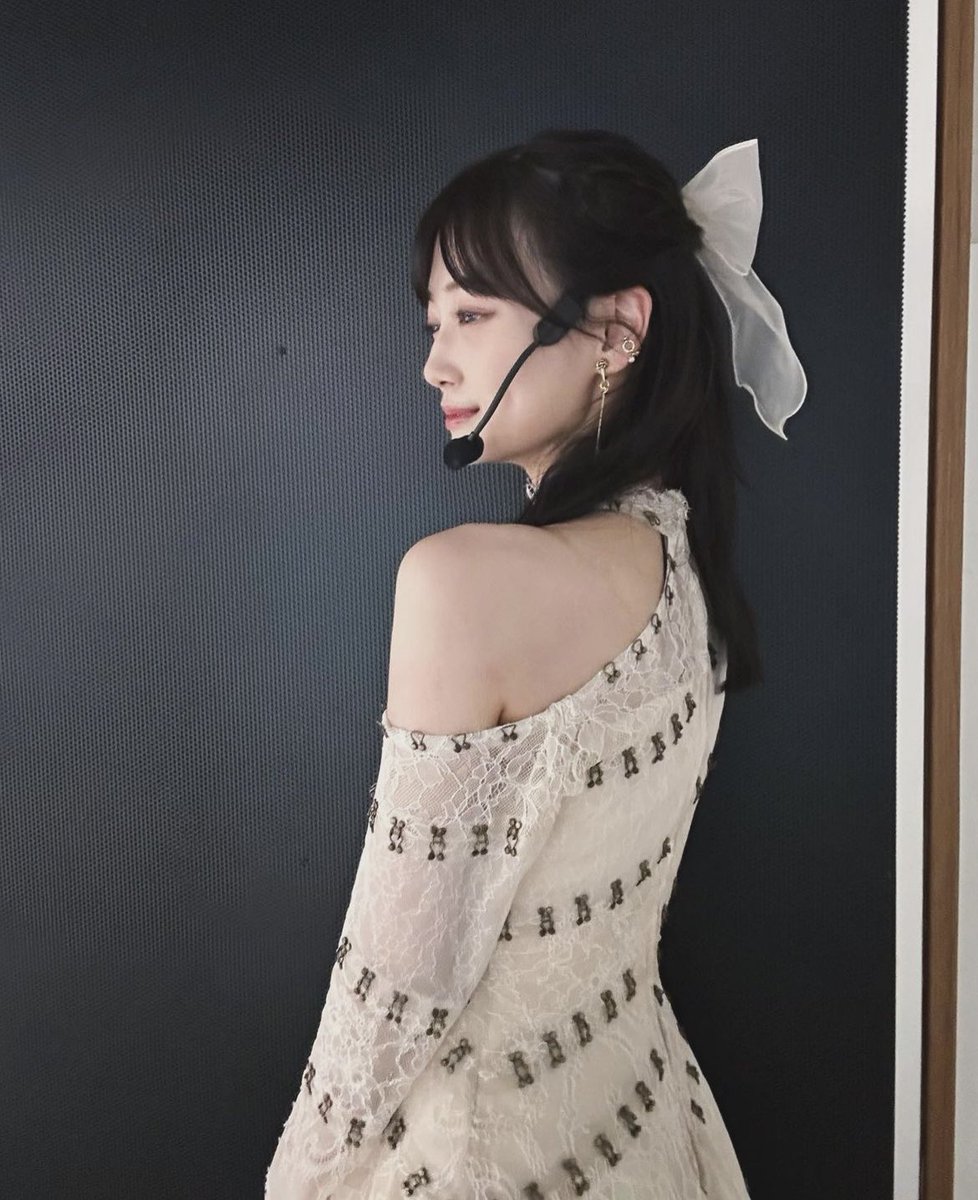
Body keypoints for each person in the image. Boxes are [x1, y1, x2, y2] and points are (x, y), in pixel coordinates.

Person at [266, 128, 804, 1198]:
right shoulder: (683, 567)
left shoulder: (463, 582)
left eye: (471, 315)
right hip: (645, 1134)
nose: (435, 362)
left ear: (616, 329)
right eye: (433, 321)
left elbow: (393, 991)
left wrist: (299, 1182)